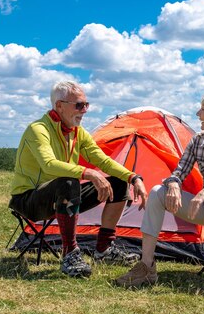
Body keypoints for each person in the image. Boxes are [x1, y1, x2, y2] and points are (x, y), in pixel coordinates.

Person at [116, 91, 204, 304]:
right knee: (156, 192)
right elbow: (179, 171)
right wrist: (173, 183)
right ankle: (147, 267)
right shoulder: (198, 140)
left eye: (203, 110)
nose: (198, 113)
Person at [9, 81, 147, 278]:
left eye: (86, 105)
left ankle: (103, 249)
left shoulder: (78, 132)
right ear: (59, 106)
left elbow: (102, 160)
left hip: (61, 196)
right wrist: (89, 173)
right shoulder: (38, 130)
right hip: (28, 199)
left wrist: (134, 178)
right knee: (69, 181)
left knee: (117, 183)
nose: (84, 110)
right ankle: (70, 253)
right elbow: (48, 164)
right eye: (79, 105)